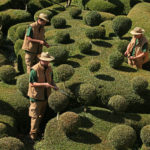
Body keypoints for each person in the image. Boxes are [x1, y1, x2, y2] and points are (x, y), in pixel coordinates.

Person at [27, 52, 58, 140]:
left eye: (48, 61)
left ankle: (38, 130)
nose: (47, 63)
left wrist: (54, 86)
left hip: (45, 96)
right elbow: (32, 83)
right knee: (35, 117)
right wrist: (44, 84)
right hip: (36, 97)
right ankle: (32, 136)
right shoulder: (34, 70)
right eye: (45, 61)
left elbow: (51, 80)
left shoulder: (49, 68)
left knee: (41, 115)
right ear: (41, 60)